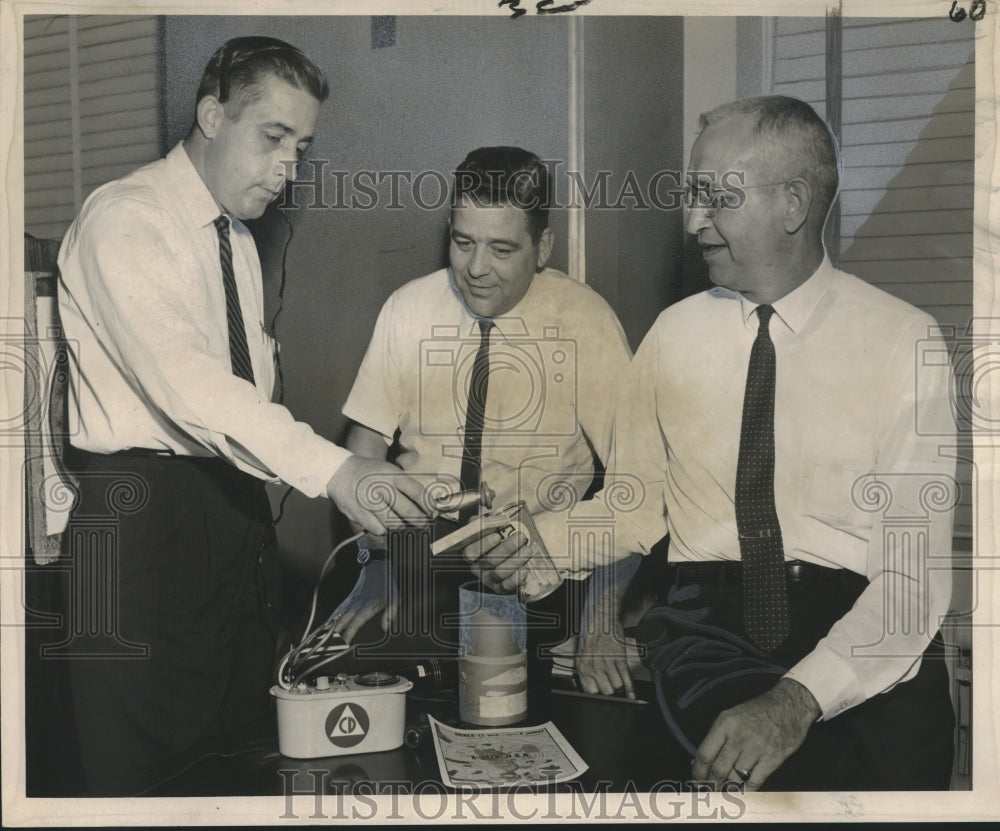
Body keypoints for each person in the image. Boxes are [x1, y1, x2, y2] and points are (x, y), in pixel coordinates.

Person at [471, 96, 958, 791]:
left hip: (871, 640)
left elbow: (912, 582)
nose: (692, 220)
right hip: (712, 636)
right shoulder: (672, 335)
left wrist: (797, 698)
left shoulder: (906, 342)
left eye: (712, 198)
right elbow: (638, 504)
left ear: (791, 204)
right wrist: (544, 544)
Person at [54, 36, 427, 796]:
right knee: (144, 784)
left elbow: (248, 392)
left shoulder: (239, 242)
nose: (289, 166)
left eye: (303, 145)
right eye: (273, 138)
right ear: (211, 114)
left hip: (232, 525)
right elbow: (194, 389)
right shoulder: (125, 220)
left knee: (240, 764)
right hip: (138, 529)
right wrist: (339, 469)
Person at [327, 146, 638, 697]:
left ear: (542, 247)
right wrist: (376, 560)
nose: (475, 269)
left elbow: (635, 488)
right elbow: (363, 455)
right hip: (416, 565)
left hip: (540, 572)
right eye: (463, 242)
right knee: (368, 697)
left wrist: (601, 619)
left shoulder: (587, 322)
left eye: (501, 249)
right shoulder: (408, 308)